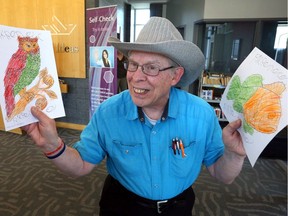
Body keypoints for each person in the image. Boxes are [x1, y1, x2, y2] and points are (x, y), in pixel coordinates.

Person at [22, 17, 246, 216]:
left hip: (178, 208)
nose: (136, 77)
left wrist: (234, 155)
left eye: (151, 68)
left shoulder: (202, 115)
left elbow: (222, 174)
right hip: (121, 206)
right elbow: (80, 166)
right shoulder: (108, 112)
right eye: (133, 65)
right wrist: (52, 145)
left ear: (175, 75)